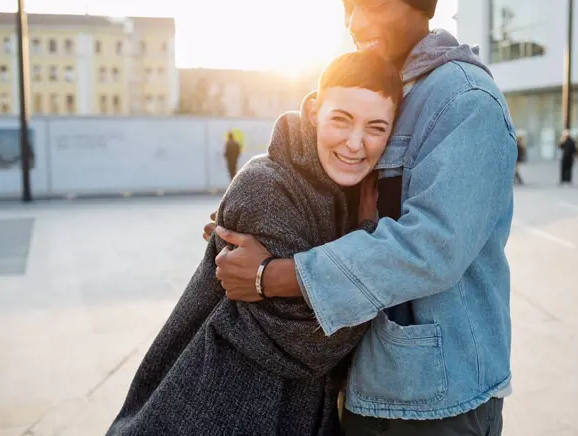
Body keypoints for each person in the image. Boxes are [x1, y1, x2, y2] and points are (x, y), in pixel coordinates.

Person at [206, 0, 516, 434]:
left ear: (418, 4)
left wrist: (272, 276)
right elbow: (327, 186)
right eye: (347, 7)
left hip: (436, 401)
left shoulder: (464, 100)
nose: (354, 23)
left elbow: (432, 246)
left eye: (370, 3)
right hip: (359, 382)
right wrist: (258, 219)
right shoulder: (382, 85)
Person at [106, 51, 403, 436]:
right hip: (211, 413)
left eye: (376, 128)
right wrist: (367, 231)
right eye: (341, 120)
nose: (355, 143)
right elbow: (313, 342)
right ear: (314, 112)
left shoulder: (336, 191)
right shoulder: (267, 187)